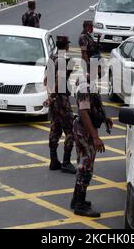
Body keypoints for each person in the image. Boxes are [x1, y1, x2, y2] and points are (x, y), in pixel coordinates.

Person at [71, 73, 113, 217]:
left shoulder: (89, 81)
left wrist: (104, 118)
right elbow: (83, 112)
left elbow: (93, 106)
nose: (102, 72)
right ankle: (80, 205)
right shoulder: (85, 86)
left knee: (82, 164)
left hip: (83, 129)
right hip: (85, 132)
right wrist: (95, 137)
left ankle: (76, 200)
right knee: (86, 168)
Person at [44, 36, 77, 174]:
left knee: (55, 128)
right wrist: (53, 96)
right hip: (61, 100)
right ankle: (66, 162)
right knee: (70, 131)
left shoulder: (52, 58)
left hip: (53, 100)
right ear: (67, 46)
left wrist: (50, 96)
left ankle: (53, 160)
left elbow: (46, 80)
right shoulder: (63, 61)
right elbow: (59, 80)